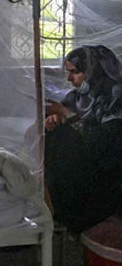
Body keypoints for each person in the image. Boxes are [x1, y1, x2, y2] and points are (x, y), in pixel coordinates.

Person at [44, 45, 122, 233]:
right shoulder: (78, 97)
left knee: (61, 137)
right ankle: (50, 203)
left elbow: (104, 142)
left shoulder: (115, 99)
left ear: (93, 71)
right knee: (52, 134)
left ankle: (68, 212)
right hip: (82, 167)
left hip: (105, 177)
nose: (69, 79)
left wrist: (65, 114)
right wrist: (54, 120)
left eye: (75, 72)